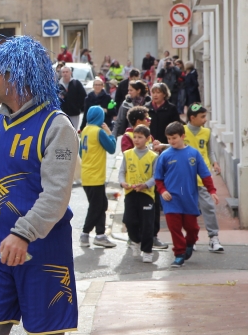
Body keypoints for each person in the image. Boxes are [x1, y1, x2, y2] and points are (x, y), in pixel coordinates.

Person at [0, 36, 79, 335]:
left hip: (43, 252)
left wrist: (23, 234)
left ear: (16, 76)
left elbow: (57, 195)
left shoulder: (57, 126)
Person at [154, 122, 218, 268]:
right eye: (169, 139)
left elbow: (205, 174)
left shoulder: (194, 154)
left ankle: (190, 243)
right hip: (171, 199)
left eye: (174, 138)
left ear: (183, 136)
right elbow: (158, 178)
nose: (171, 141)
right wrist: (163, 191)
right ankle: (179, 254)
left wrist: (212, 191)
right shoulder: (164, 156)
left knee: (192, 228)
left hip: (188, 198)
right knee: (174, 227)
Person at [185, 104, 225, 252]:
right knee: (189, 209)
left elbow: (210, 150)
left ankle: (214, 238)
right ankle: (191, 238)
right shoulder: (182, 131)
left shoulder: (206, 132)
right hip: (186, 178)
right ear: (192, 118)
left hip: (202, 177)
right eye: (202, 117)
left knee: (208, 207)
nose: (205, 119)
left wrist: (214, 163)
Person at [79, 106, 117, 248]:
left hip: (86, 174)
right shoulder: (98, 132)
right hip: (96, 175)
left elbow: (81, 153)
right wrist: (110, 133)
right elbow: (112, 148)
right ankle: (85, 233)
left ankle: (100, 235)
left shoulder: (85, 131)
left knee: (102, 204)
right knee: (96, 207)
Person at [119, 125, 158, 263]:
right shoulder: (127, 154)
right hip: (130, 192)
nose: (136, 140)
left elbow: (156, 176)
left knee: (147, 223)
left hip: (146, 194)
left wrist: (146, 184)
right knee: (129, 220)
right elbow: (122, 172)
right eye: (134, 137)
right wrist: (122, 182)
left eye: (140, 137)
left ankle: (147, 251)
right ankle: (135, 241)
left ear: (148, 139)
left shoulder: (153, 156)